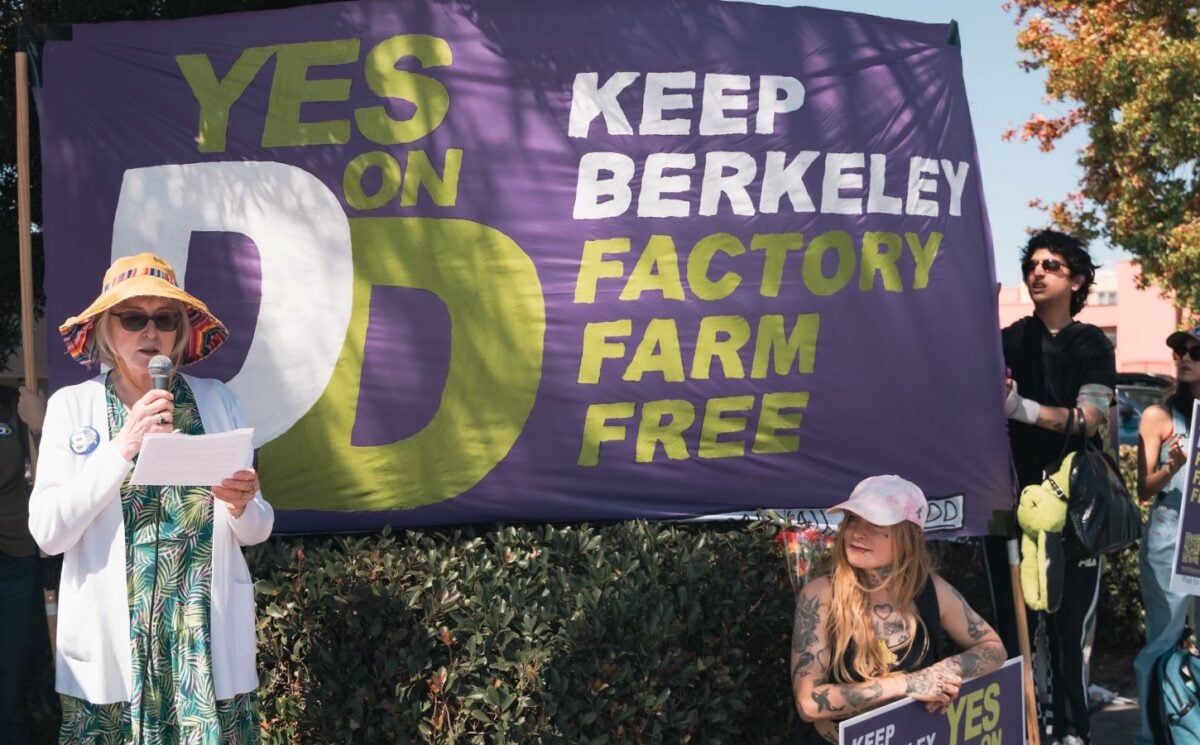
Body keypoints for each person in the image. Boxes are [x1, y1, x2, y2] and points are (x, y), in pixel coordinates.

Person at [27, 253, 273, 744]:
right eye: (133, 318)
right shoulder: (73, 407)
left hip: (201, 648)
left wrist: (243, 505)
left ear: (180, 333)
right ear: (105, 329)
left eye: (164, 319)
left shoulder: (218, 401)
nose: (150, 333)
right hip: (113, 656)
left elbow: (258, 528)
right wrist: (124, 447)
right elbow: (48, 533)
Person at [1001, 229, 1115, 745]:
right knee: (1016, 635)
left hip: (1077, 514)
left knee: (1069, 636)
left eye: (1052, 265)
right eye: (1033, 264)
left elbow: (1091, 418)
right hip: (1010, 507)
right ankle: (1024, 730)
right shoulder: (1007, 339)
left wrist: (1021, 409)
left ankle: (1073, 733)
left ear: (1078, 280)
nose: (1038, 272)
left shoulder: (1092, 344)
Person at [790, 475, 1007, 744]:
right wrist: (906, 684)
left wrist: (940, 674)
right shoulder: (821, 595)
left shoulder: (932, 590)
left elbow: (994, 648)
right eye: (853, 520)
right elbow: (808, 703)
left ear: (910, 536)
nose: (857, 532)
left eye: (876, 523)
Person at [1132, 326, 1200, 745]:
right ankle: (1151, 735)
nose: (1184, 357)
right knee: (1163, 637)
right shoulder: (1158, 416)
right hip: (1170, 538)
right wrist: (1173, 467)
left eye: (1195, 351)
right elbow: (1144, 487)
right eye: (1179, 351)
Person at [0, 384, 46, 744]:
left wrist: (41, 424)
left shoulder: (12, 404)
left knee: (9, 684)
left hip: (12, 558)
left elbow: (58, 473)